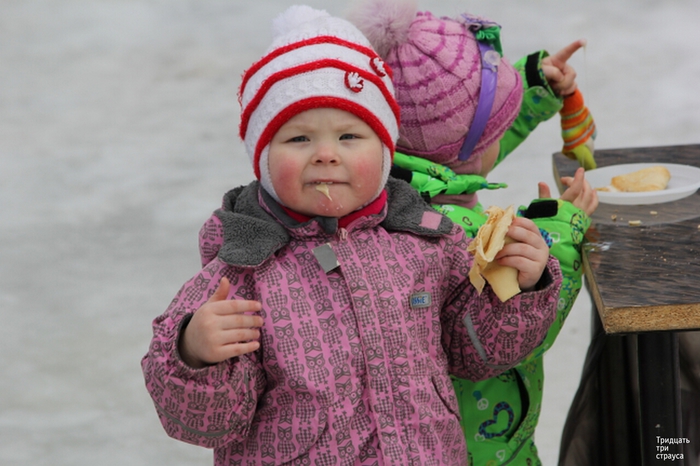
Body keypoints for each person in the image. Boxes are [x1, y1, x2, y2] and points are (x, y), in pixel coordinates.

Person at [141, 5, 563, 465]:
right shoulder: (241, 271)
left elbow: (476, 354)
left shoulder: (427, 241)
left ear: (384, 152)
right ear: (262, 158)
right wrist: (195, 354)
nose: (326, 154)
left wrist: (519, 287)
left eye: (349, 137)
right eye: (299, 139)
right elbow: (210, 424)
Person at [349, 1, 598, 465]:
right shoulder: (462, 240)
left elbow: (461, 154)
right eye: (497, 127)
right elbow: (529, 330)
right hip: (484, 450)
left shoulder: (387, 191)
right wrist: (558, 231)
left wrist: (532, 88)